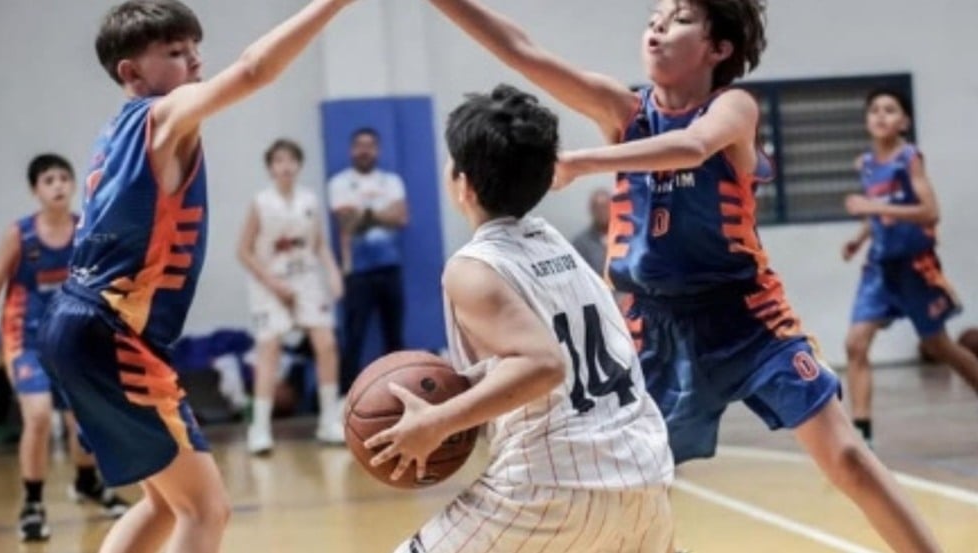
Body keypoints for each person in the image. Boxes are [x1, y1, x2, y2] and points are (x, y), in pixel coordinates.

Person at [427, 0, 942, 551]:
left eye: (678, 19)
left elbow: (693, 148)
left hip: (746, 316)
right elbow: (520, 50)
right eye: (654, 17)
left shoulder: (734, 108)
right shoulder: (624, 110)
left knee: (846, 458)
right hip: (651, 326)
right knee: (639, 482)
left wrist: (583, 162)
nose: (657, 26)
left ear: (718, 48)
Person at [36, 1, 357, 552]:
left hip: (81, 325)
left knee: (166, 505)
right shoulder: (161, 116)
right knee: (206, 509)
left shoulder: (117, 130)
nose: (195, 61)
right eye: (175, 52)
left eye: (194, 48)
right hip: (110, 333)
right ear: (132, 73)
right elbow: (253, 70)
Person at [365, 84, 674, 553]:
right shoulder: (554, 241)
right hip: (643, 476)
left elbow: (543, 364)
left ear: (464, 184)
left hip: (553, 488)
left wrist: (437, 422)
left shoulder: (472, 268)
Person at [0, 154, 130, 542]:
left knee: (84, 418)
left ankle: (87, 482)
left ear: (73, 185)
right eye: (48, 180)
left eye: (63, 178)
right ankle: (33, 504)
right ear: (35, 191)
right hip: (25, 339)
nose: (57, 186)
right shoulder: (20, 235)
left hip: (72, 340)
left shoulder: (87, 230)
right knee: (38, 416)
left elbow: (105, 286)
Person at [842, 88, 978, 447]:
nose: (880, 115)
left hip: (915, 267)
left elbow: (930, 212)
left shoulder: (909, 159)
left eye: (889, 110)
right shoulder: (866, 164)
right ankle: (862, 434)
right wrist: (860, 238)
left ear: (904, 122)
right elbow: (879, 212)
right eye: (874, 109)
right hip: (879, 269)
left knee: (939, 346)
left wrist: (871, 209)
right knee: (855, 343)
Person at [238, 138, 344, 454]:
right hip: (270, 281)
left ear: (298, 165)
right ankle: (259, 428)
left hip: (306, 277)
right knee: (270, 348)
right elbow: (243, 251)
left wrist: (333, 272)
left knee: (326, 344)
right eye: (279, 161)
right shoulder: (261, 202)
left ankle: (328, 421)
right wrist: (272, 283)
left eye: (290, 160)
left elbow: (320, 244)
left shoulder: (310, 200)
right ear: (270, 168)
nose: (285, 166)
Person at [328, 128, 409, 395]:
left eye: (370, 145)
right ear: (352, 150)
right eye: (359, 145)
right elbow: (347, 225)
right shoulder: (339, 183)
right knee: (354, 337)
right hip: (357, 271)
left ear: (377, 150)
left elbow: (401, 218)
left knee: (394, 336)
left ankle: (398, 393)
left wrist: (364, 213)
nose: (364, 150)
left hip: (390, 267)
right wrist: (381, 213)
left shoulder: (392, 181)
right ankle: (346, 398)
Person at [571, 188, 611, 273]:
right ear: (591, 210)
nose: (601, 212)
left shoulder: (627, 238)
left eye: (605, 207)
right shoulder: (581, 243)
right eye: (597, 208)